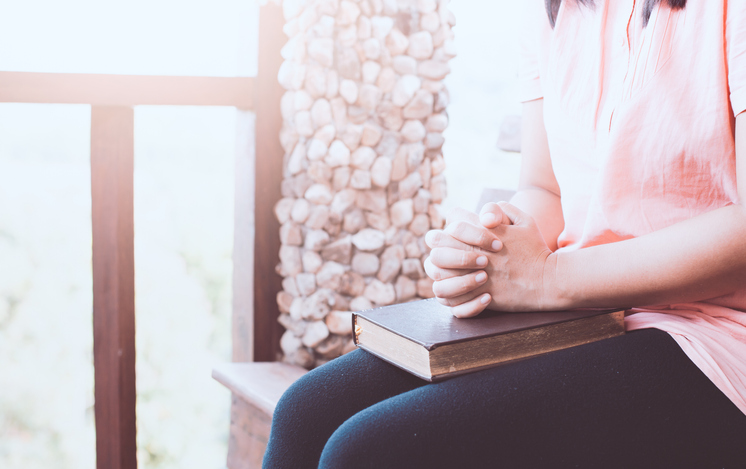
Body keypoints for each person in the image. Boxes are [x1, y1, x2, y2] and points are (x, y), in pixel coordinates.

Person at [263, 0, 746, 467]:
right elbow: (544, 189)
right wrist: (486, 249)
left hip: (717, 332)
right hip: (587, 315)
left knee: (371, 452)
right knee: (306, 414)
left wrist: (546, 279)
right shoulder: (556, 7)